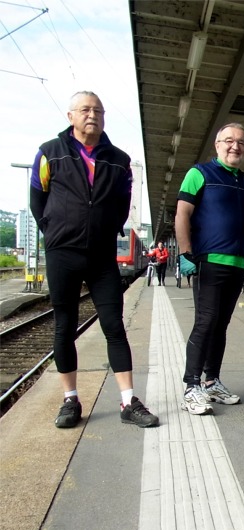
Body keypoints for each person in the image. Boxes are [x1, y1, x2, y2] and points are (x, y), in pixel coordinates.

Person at [29, 91, 158, 429]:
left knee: (114, 325)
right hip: (63, 254)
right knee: (64, 327)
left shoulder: (119, 159)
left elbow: (122, 202)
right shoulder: (49, 153)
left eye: (99, 110)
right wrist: (54, 230)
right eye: (85, 109)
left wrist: (105, 230)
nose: (93, 115)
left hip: (101, 256)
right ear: (70, 115)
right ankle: (70, 400)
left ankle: (129, 401)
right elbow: (37, 200)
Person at [175, 122, 244, 415]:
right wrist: (186, 254)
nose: (235, 146)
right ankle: (190, 386)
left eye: (241, 143)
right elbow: (182, 214)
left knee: (220, 326)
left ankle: (211, 382)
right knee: (206, 322)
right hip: (209, 262)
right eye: (229, 141)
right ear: (217, 145)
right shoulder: (199, 174)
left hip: (236, 265)